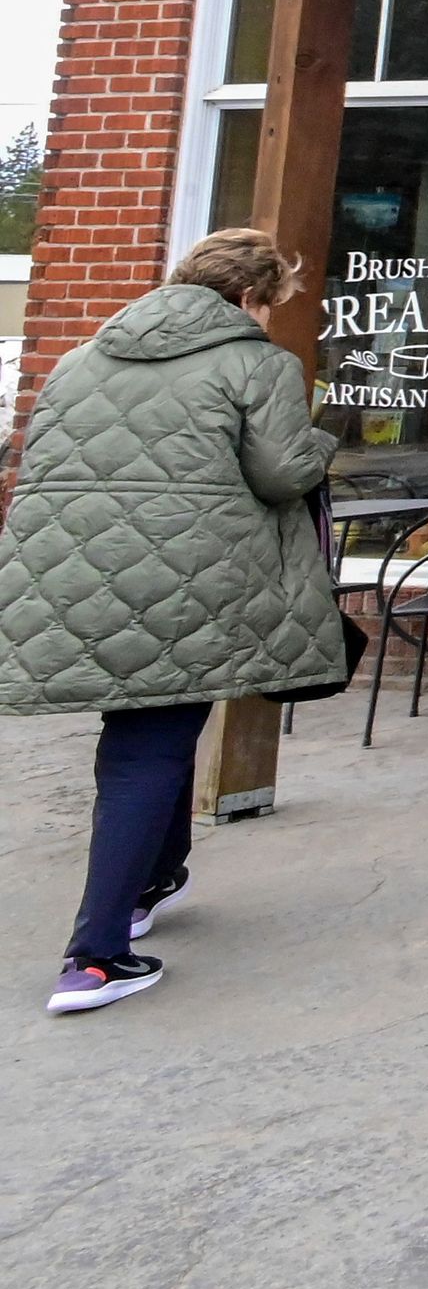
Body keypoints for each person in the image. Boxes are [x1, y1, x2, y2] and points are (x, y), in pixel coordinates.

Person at [1, 228, 342, 1014]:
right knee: (145, 748)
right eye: (271, 304)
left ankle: (155, 877)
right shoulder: (258, 364)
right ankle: (95, 955)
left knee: (154, 723)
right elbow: (283, 474)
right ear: (252, 297)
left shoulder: (80, 358)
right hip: (186, 580)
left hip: (73, 575)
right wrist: (321, 435)